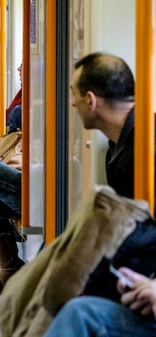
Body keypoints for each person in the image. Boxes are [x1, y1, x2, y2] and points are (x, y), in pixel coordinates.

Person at [41, 52, 156, 336]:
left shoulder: (147, 150)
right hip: (135, 274)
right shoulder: (120, 145)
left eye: (74, 94)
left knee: (77, 311)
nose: (72, 102)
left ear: (91, 101)